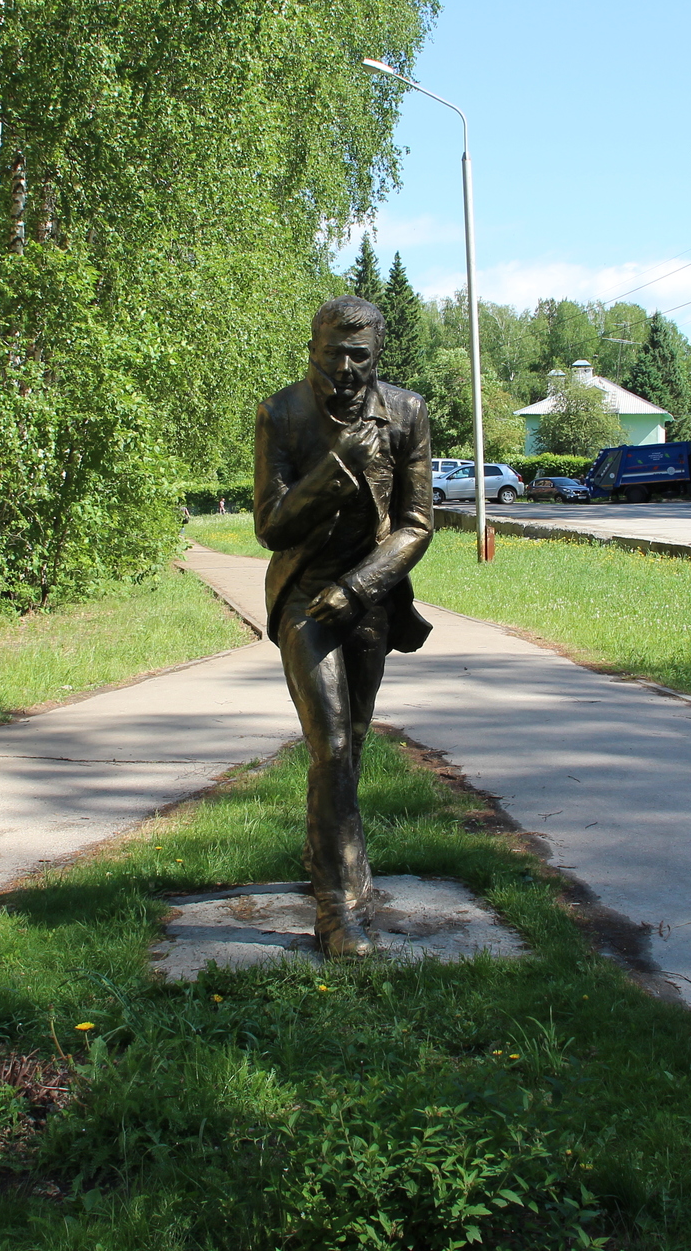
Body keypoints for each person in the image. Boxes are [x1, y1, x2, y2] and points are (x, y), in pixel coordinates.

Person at [254, 295, 433, 956]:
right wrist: (338, 468)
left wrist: (359, 588)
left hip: (368, 600)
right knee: (329, 747)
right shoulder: (281, 413)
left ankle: (329, 859)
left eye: (361, 354)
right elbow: (270, 525)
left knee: (349, 751)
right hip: (303, 597)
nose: (348, 366)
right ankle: (339, 911)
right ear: (314, 347)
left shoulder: (408, 413)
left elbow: (417, 525)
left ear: (377, 353)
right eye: (336, 352)